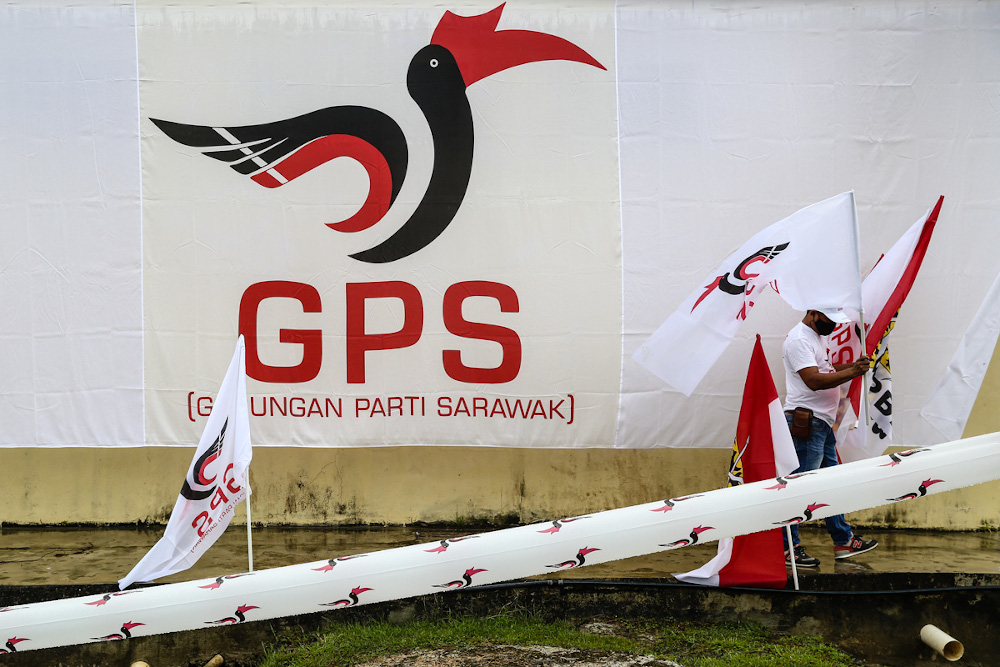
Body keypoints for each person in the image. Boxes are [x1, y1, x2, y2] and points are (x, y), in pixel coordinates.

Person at [782, 308, 878, 567]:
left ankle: (843, 540)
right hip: (807, 423)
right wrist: (853, 372)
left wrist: (855, 366)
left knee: (830, 484)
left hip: (820, 424)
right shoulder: (799, 339)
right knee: (800, 487)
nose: (834, 326)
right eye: (829, 320)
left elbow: (827, 369)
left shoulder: (817, 336)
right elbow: (814, 380)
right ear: (813, 314)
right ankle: (788, 548)